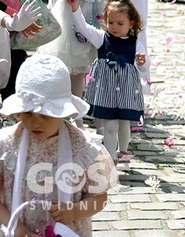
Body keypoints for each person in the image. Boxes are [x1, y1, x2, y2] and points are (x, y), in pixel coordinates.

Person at [0, 54, 116, 237]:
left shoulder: (84, 149)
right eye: (27, 113)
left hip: (68, 230)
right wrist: (15, 227)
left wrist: (75, 211)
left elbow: (99, 197)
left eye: (46, 115)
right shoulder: (6, 145)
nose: (35, 123)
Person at [68, 0, 146, 163]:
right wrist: (75, 8)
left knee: (124, 122)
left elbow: (144, 65)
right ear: (105, 21)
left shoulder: (135, 43)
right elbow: (83, 27)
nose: (115, 27)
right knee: (110, 124)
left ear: (130, 23)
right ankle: (110, 159)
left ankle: (123, 151)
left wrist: (142, 61)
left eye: (120, 23)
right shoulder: (102, 38)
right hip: (106, 90)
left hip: (126, 88)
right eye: (110, 22)